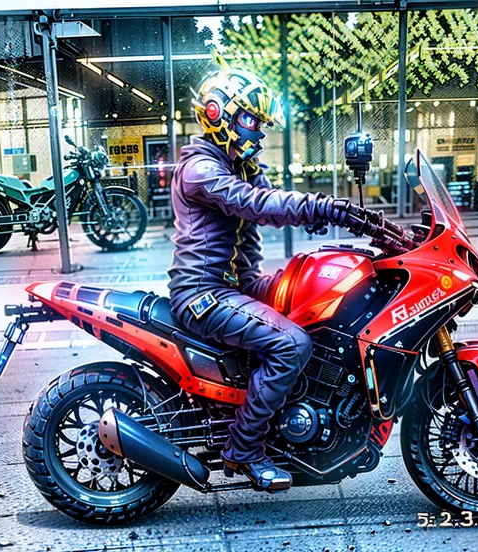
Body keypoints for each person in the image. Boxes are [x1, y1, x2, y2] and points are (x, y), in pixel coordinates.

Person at [167, 52, 407, 492]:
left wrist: (339, 223)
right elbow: (257, 204)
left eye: (260, 124)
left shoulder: (237, 166)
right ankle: (244, 450)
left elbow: (274, 199)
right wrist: (324, 207)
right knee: (291, 343)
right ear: (222, 114)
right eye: (252, 122)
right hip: (205, 294)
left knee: (323, 296)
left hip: (239, 284)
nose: (258, 132)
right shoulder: (201, 169)